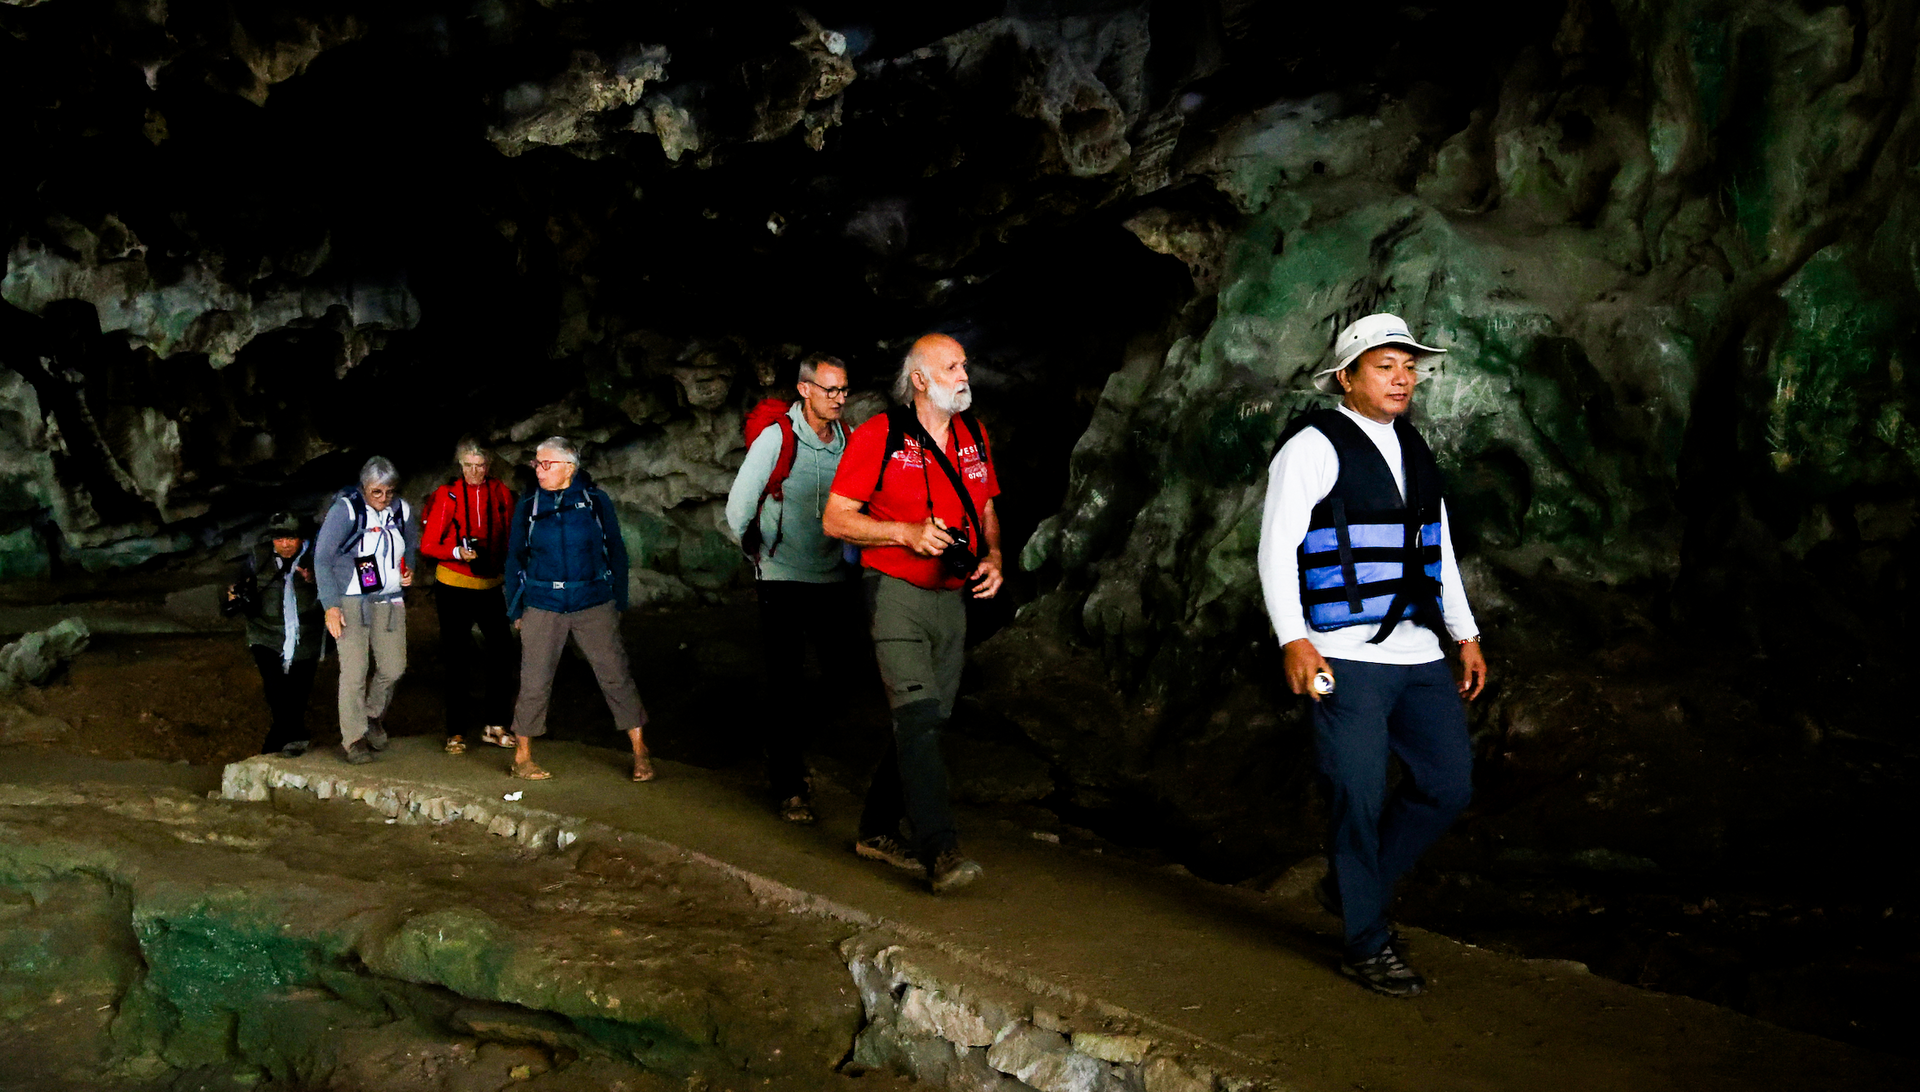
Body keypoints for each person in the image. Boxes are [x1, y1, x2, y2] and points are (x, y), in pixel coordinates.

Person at [1256, 312, 1489, 997]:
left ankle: (1353, 889)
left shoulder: (1415, 447)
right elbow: (1276, 548)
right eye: (1385, 366)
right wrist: (1293, 639)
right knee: (1355, 795)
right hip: (1341, 655)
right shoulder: (1312, 447)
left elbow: (1436, 549)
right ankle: (1366, 941)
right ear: (1346, 378)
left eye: (1409, 366)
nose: (1402, 377)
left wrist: (1464, 633)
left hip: (1417, 653)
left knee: (1447, 784)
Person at [823, 333, 1004, 894]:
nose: (964, 374)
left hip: (951, 595)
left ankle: (876, 829)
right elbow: (835, 519)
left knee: (929, 719)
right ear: (921, 380)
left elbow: (987, 506)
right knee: (919, 718)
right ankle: (940, 849)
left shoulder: (974, 435)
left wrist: (994, 555)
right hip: (894, 591)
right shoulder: (881, 435)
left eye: (965, 365)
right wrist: (903, 532)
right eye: (951, 367)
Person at [724, 352, 861, 825]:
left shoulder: (849, 441)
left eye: (844, 390)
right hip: (781, 577)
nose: (840, 399)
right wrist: (760, 555)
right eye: (831, 390)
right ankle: (789, 785)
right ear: (805, 390)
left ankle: (783, 744)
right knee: (786, 680)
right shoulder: (776, 438)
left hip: (832, 577)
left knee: (844, 676)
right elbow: (738, 507)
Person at [502, 436, 651, 782]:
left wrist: (618, 601)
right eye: (536, 464)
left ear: (569, 468)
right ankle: (522, 757)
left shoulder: (595, 502)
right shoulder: (530, 505)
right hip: (543, 602)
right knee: (533, 681)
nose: (539, 470)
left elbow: (616, 550)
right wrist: (516, 610)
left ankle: (641, 752)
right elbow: (514, 559)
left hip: (592, 601)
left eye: (547, 464)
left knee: (615, 674)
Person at [316, 457, 417, 765]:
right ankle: (354, 737)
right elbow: (322, 558)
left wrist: (409, 568)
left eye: (388, 491)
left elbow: (411, 543)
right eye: (377, 492)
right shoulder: (345, 512)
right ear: (364, 488)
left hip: (388, 598)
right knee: (355, 671)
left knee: (393, 667)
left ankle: (373, 714)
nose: (384, 498)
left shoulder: (401, 511)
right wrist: (330, 606)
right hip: (351, 600)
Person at [420, 437, 518, 755]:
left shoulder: (500, 493)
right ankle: (456, 731)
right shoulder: (446, 496)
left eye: (480, 466)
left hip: (490, 583)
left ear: (488, 466)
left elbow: (511, 535)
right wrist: (456, 552)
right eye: (468, 466)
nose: (474, 472)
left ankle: (495, 724)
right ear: (460, 466)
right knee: (457, 656)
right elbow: (427, 545)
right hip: (453, 584)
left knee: (502, 650)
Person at [226, 511, 323, 756]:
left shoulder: (318, 558)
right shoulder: (258, 559)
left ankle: (280, 744)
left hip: (305, 636)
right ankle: (294, 738)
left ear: (302, 538)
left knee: (299, 691)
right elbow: (234, 584)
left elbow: (338, 586)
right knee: (275, 688)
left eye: (291, 537)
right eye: (280, 538)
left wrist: (316, 579)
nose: (286, 544)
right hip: (265, 634)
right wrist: (236, 594)